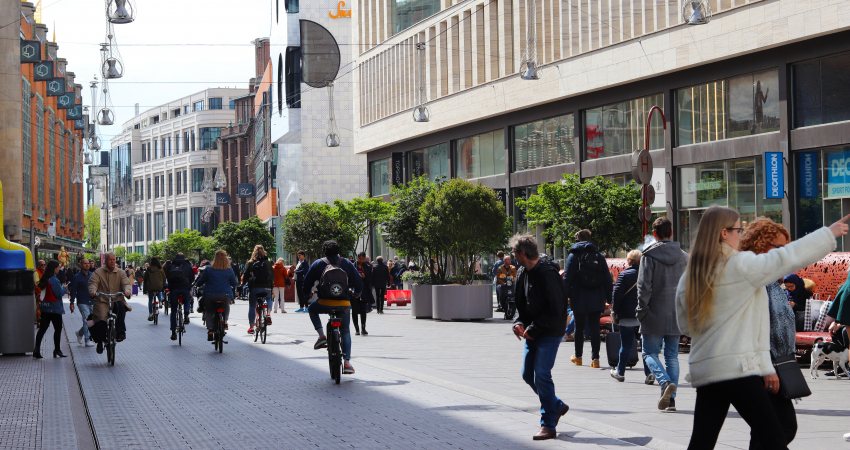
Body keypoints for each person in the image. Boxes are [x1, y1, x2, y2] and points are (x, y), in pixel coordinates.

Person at [675, 206, 849, 449]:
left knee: (703, 441)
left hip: (708, 368)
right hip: (737, 369)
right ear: (724, 233)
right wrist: (828, 233)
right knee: (775, 436)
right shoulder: (738, 266)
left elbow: (685, 324)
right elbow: (787, 257)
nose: (740, 234)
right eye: (738, 229)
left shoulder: (692, 273)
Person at [738, 218, 799, 449]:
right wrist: (766, 368)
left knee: (771, 430)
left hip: (777, 363)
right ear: (760, 245)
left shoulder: (773, 280)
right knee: (780, 428)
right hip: (757, 367)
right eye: (778, 248)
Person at [510, 234, 569, 441]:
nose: (513, 257)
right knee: (528, 374)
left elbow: (557, 308)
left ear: (522, 254)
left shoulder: (547, 273)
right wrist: (518, 322)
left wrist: (533, 328)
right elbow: (521, 305)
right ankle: (556, 405)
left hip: (550, 331)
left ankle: (548, 424)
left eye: (515, 253)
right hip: (533, 332)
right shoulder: (522, 272)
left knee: (541, 373)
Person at [636, 216, 688, 411]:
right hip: (676, 312)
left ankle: (665, 382)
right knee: (672, 356)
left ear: (655, 234)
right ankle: (671, 399)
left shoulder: (649, 256)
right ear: (671, 232)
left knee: (649, 352)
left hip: (653, 311)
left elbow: (643, 287)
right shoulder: (683, 256)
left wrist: (641, 310)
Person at [303, 240, 363, 375]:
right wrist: (356, 293)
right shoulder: (346, 263)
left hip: (325, 302)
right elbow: (358, 282)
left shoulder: (318, 263)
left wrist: (307, 295)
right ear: (338, 250)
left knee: (312, 310)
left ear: (324, 251)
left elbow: (306, 283)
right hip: (344, 304)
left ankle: (321, 336)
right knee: (346, 331)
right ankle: (347, 362)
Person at [563, 229, 612, 368]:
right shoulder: (598, 256)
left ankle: (578, 357)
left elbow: (567, 278)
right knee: (595, 327)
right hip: (597, 297)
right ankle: (595, 360)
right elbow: (607, 278)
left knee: (579, 327)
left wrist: (563, 297)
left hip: (579, 297)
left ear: (578, 239)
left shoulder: (574, 255)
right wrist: (609, 297)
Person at [87, 252, 132, 353]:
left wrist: (127, 291)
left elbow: (126, 283)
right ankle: (99, 341)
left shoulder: (121, 272)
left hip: (117, 299)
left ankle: (120, 332)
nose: (112, 261)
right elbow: (93, 283)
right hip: (102, 300)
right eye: (110, 260)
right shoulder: (98, 272)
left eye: (114, 259)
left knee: (121, 309)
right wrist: (93, 291)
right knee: (101, 318)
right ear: (105, 261)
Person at [610, 250, 642, 383]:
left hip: (627, 315)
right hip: (643, 316)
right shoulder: (647, 274)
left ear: (629, 261)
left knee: (626, 345)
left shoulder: (624, 275)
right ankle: (649, 374)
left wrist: (615, 312)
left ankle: (620, 372)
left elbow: (616, 295)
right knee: (646, 348)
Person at [194, 249, 239, 341]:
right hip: (225, 294)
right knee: (226, 306)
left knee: (209, 311)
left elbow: (201, 281)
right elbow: (234, 283)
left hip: (210, 294)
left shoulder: (208, 269)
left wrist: (197, 285)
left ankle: (210, 330)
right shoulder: (229, 270)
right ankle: (225, 322)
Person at [34, 260, 67, 358]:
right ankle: (57, 350)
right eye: (58, 267)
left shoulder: (45, 278)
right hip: (55, 309)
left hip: (46, 308)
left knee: (42, 330)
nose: (59, 269)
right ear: (54, 268)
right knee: (58, 329)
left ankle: (36, 350)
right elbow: (59, 294)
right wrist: (64, 288)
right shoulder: (54, 280)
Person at [243, 245, 274, 334]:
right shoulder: (268, 263)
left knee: (252, 306)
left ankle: (251, 327)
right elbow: (272, 276)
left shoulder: (250, 263)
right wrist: (271, 287)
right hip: (267, 287)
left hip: (254, 287)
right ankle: (268, 314)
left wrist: (243, 284)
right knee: (268, 299)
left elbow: (246, 275)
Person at [163, 253, 195, 341]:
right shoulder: (187, 265)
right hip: (185, 287)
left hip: (174, 289)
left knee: (173, 311)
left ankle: (173, 332)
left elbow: (168, 277)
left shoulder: (171, 265)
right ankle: (186, 314)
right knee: (187, 300)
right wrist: (189, 284)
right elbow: (192, 277)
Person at [68, 259, 94, 347]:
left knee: (92, 321)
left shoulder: (92, 275)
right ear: (81, 265)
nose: (87, 265)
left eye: (88, 263)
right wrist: (71, 303)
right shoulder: (76, 277)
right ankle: (87, 340)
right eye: (85, 263)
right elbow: (73, 290)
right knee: (87, 319)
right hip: (82, 301)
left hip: (92, 301)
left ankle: (79, 333)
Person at [352, 252, 373, 336]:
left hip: (364, 292)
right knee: (354, 311)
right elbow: (350, 277)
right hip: (354, 291)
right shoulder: (352, 266)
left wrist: (365, 276)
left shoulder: (368, 266)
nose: (360, 260)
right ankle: (357, 329)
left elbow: (370, 279)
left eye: (362, 258)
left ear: (364, 258)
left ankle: (363, 328)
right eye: (359, 258)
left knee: (363, 311)